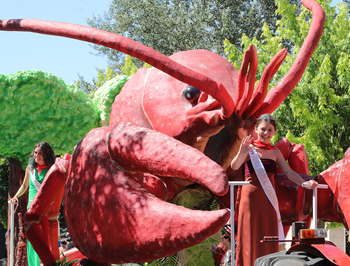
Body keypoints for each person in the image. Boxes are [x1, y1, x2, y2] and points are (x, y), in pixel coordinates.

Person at [231, 114, 317, 266]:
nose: (266, 133)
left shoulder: (275, 152)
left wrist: (304, 183)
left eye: (270, 130)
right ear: (256, 129)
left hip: (269, 200)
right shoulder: (248, 148)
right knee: (250, 235)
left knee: (269, 235)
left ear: (274, 132)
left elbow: (289, 172)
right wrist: (242, 152)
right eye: (263, 129)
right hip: (250, 199)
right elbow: (234, 166)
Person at [10, 142, 56, 266]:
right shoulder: (30, 169)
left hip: (44, 209)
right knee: (31, 238)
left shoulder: (52, 170)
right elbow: (25, 186)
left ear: (46, 155)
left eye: (40, 153)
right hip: (31, 209)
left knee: (42, 239)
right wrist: (16, 196)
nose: (37, 155)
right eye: (35, 153)